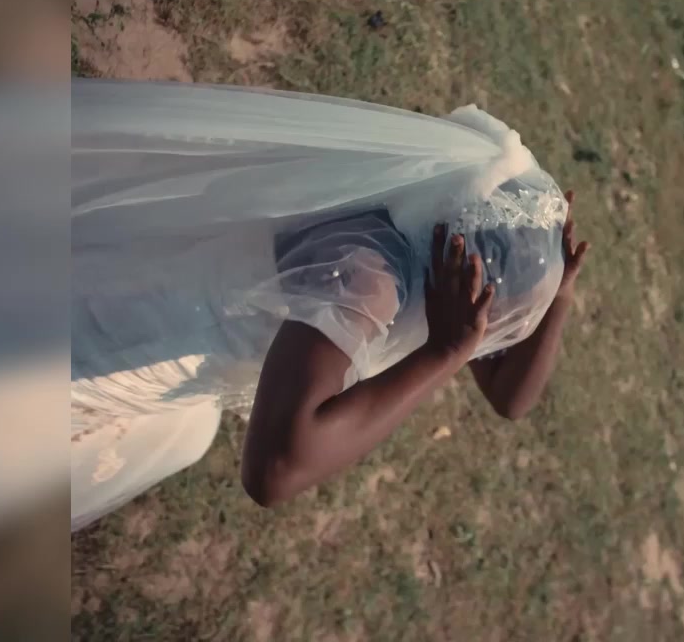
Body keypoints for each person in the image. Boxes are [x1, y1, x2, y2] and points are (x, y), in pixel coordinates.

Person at [69, 80, 588, 528]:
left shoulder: (412, 209)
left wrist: (560, 293)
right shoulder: (366, 281)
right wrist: (445, 353)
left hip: (158, 296)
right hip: (121, 341)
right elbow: (274, 473)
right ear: (462, 285)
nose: (489, 337)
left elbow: (510, 399)